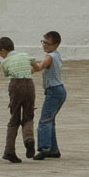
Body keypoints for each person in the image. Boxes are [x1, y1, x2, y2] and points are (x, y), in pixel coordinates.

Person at [0, 36, 37, 163]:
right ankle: (28, 139)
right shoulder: (25, 55)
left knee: (14, 118)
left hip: (16, 86)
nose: (0, 55)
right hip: (29, 84)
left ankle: (9, 151)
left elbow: (8, 74)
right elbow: (35, 65)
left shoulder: (5, 62)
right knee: (28, 116)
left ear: (3, 50)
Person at [32, 31, 65, 160]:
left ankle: (45, 147)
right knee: (50, 120)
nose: (44, 45)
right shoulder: (55, 55)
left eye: (47, 43)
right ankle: (53, 149)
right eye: (43, 42)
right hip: (57, 91)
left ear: (55, 45)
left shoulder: (50, 56)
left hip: (54, 91)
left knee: (44, 120)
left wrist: (30, 64)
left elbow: (40, 66)